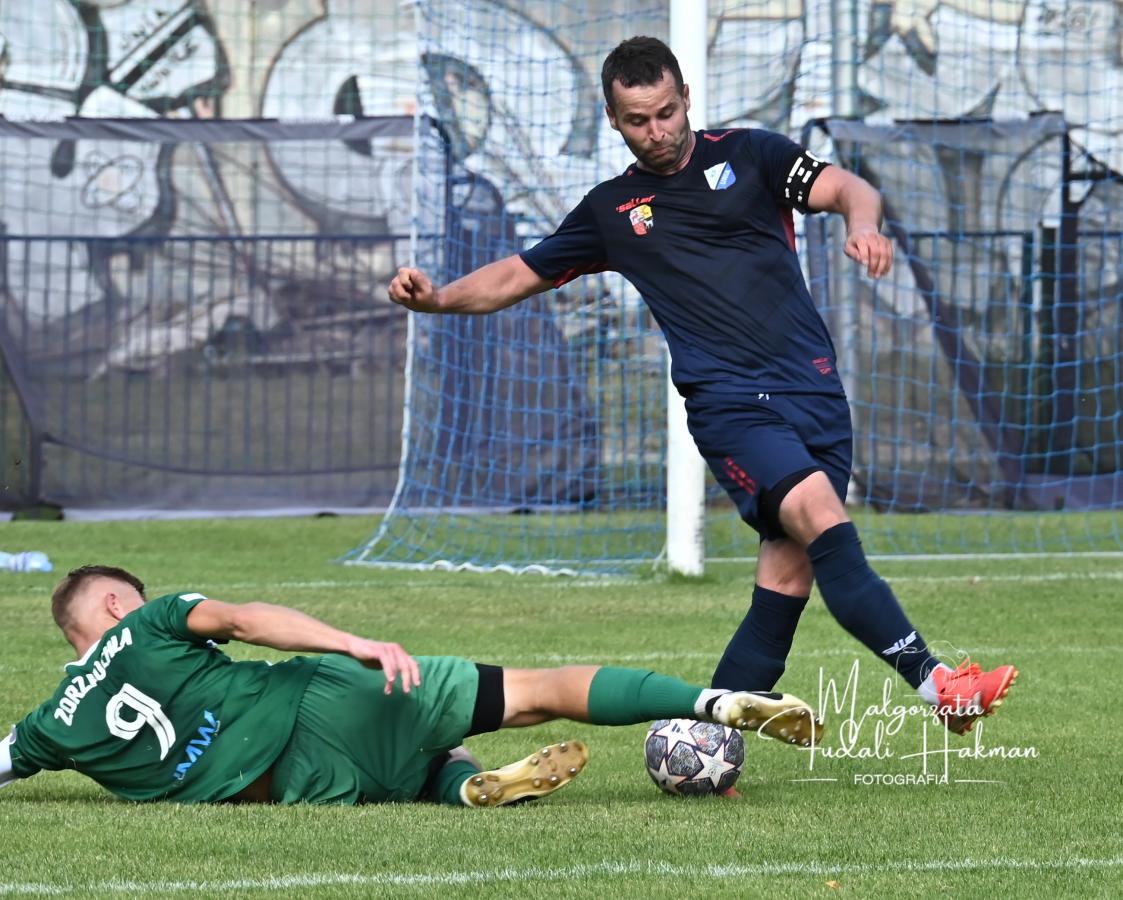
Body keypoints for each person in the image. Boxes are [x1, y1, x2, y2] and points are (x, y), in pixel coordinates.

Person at [387, 35, 1017, 735]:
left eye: (665, 112)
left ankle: (700, 744)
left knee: (785, 581)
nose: (655, 131)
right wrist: (436, 299)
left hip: (815, 397)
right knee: (821, 519)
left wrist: (862, 225)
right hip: (732, 406)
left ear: (685, 98)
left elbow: (848, 188)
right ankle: (938, 684)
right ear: (613, 119)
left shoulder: (752, 155)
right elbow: (515, 274)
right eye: (637, 120)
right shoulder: (612, 210)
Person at [0, 565, 820, 807]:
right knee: (534, 690)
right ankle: (711, 703)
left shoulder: (48, 728)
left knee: (419, 767)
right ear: (115, 605)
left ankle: (462, 786)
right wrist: (349, 641)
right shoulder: (148, 622)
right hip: (319, 700)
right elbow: (245, 620)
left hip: (298, 786)